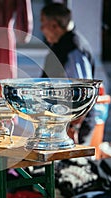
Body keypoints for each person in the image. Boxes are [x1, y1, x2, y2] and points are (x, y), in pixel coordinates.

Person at [40, 3, 96, 145]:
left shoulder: (74, 49)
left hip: (73, 130)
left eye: (42, 24)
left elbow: (83, 94)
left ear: (54, 25)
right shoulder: (61, 46)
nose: (41, 29)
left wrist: (73, 127)